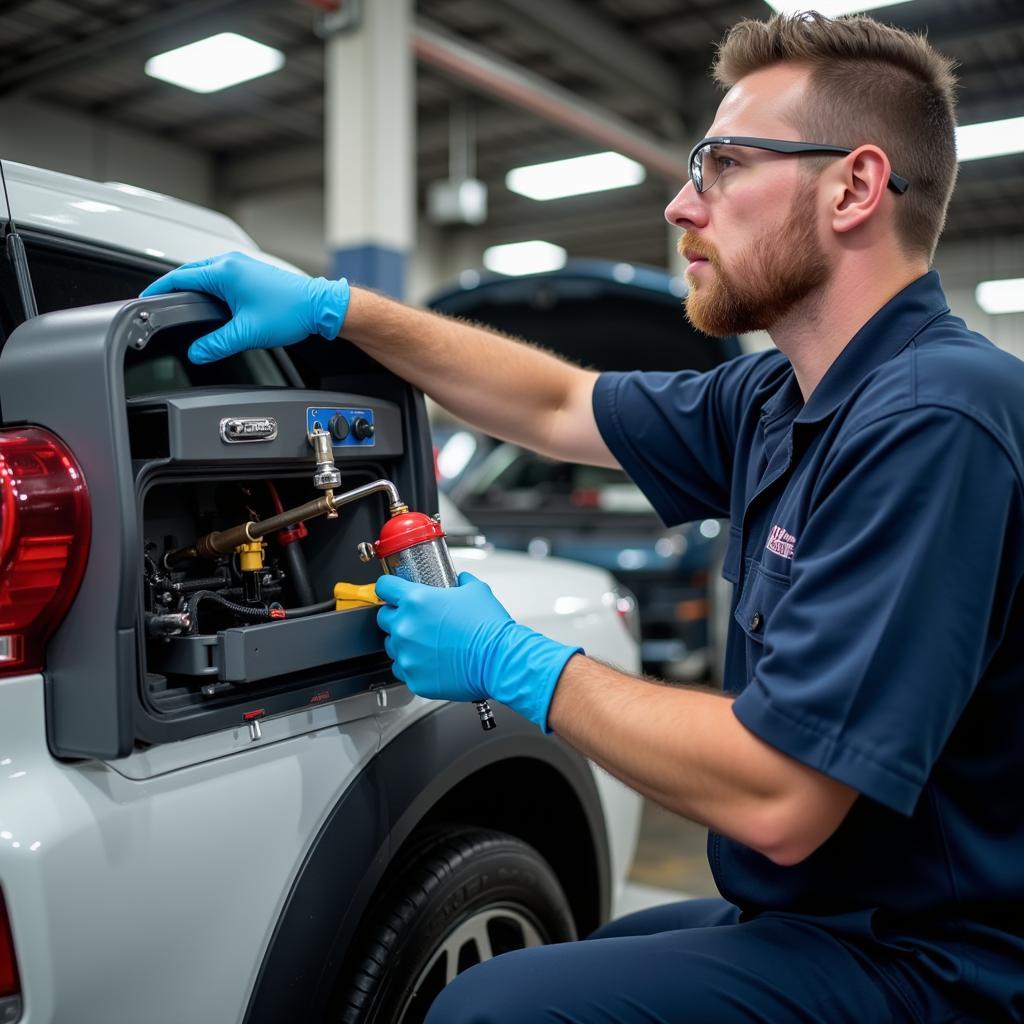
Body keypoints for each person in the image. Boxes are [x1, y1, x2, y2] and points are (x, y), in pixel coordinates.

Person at [140, 12, 1024, 1022]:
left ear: (855, 187)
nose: (683, 203)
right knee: (588, 956)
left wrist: (514, 661)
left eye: (725, 163)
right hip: (822, 915)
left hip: (936, 964)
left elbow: (781, 795)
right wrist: (340, 308)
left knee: (494, 1012)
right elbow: (558, 405)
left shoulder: (935, 420)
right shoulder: (779, 399)